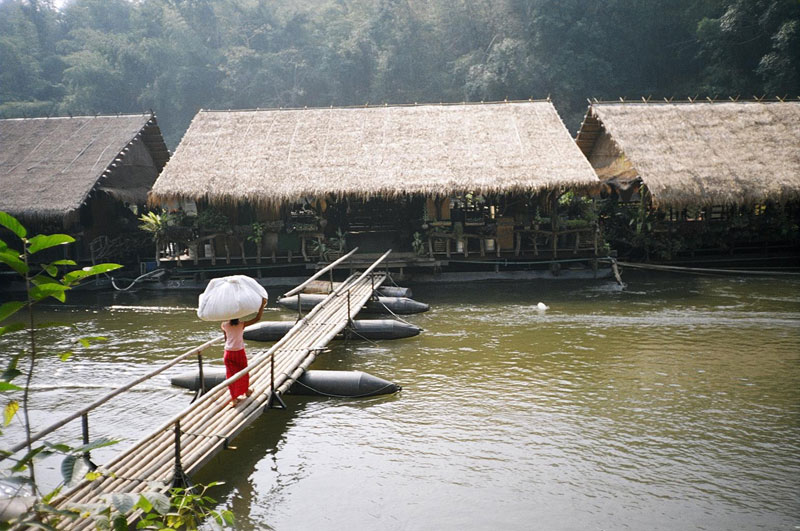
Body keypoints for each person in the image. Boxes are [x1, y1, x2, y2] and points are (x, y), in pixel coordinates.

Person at [221, 297, 267, 407]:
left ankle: (234, 398)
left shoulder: (224, 325)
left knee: (230, 376)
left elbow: (225, 338)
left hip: (228, 352)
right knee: (243, 372)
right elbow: (257, 318)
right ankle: (246, 391)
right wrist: (261, 306)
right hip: (239, 352)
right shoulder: (241, 324)